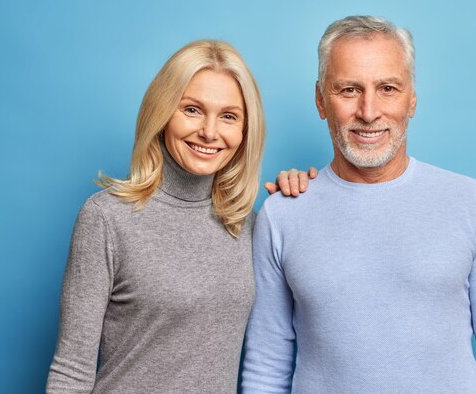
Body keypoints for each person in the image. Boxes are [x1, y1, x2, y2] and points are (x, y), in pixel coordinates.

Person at [242, 16, 476, 394]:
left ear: (412, 99)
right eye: (349, 89)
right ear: (320, 99)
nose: (368, 112)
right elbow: (266, 367)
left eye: (387, 88)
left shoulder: (470, 204)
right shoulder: (283, 213)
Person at [46, 39, 314, 394]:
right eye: (191, 110)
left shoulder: (249, 225)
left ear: (245, 132)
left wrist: (309, 200)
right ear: (161, 113)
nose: (209, 132)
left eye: (229, 116)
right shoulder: (106, 218)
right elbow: (71, 369)